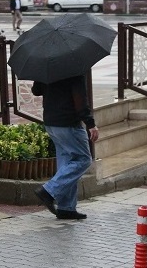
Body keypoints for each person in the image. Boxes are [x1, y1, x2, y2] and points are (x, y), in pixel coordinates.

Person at [32, 75, 99, 220]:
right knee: (83, 159)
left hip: (51, 122)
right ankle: (49, 191)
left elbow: (36, 90)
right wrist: (90, 124)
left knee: (67, 162)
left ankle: (66, 208)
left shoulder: (46, 65)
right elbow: (80, 100)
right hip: (68, 123)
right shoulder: (74, 69)